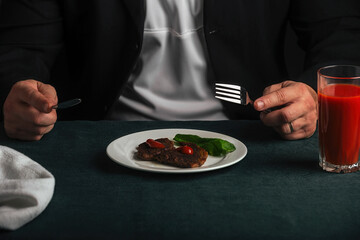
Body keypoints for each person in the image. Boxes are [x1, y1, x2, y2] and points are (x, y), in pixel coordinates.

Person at [0, 0, 359, 141]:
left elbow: (340, 34)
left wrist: (312, 95)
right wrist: (15, 94)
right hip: (97, 137)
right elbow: (20, 47)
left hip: (255, 135)